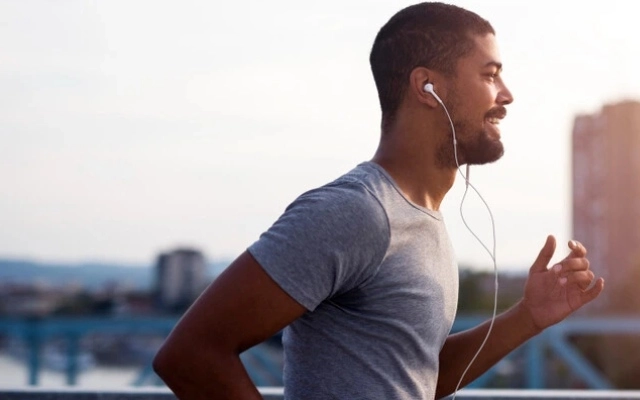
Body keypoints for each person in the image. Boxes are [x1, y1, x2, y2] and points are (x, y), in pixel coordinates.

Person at [152, 2, 604, 399]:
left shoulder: (420, 220)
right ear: (428, 87)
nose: (506, 95)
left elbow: (418, 378)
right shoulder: (355, 211)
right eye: (489, 75)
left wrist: (527, 317)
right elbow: (189, 354)